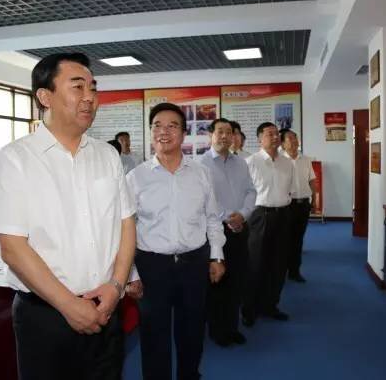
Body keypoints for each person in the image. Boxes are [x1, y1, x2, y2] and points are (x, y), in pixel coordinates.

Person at [0, 52, 136, 380]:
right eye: (78, 87)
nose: (89, 97)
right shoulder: (14, 159)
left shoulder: (107, 156)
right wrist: (68, 304)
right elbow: (13, 248)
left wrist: (116, 286)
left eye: (93, 88)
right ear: (45, 96)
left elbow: (126, 224)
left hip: (106, 306)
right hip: (46, 316)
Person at [126, 102, 226, 380]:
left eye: (172, 126)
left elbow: (213, 218)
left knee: (192, 330)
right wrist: (130, 273)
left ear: (183, 134)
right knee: (153, 335)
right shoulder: (136, 177)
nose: (164, 131)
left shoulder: (201, 174)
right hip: (151, 266)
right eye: (157, 125)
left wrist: (217, 256)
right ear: (150, 132)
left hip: (193, 263)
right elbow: (125, 229)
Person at [199, 118, 256, 347]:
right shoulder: (200, 164)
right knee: (217, 282)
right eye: (220, 131)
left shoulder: (241, 163)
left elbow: (251, 191)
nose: (225, 136)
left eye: (229, 132)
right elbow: (203, 199)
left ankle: (232, 327)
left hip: (240, 227)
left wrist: (243, 214)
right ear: (210, 135)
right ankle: (217, 330)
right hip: (215, 231)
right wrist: (227, 217)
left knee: (237, 279)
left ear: (234, 136)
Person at [242, 122, 294, 326]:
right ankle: (249, 309)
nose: (275, 137)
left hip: (283, 215)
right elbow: (244, 192)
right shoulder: (251, 162)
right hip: (260, 216)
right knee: (255, 264)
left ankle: (270, 306)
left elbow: (289, 189)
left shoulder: (287, 162)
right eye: (270, 134)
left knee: (278, 264)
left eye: (276, 134)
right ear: (259, 139)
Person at [280, 129, 318, 283]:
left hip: (303, 205)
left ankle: (294, 271)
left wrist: (314, 200)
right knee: (284, 240)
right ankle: (280, 271)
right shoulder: (279, 161)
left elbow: (312, 180)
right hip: (286, 205)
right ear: (282, 144)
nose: (294, 141)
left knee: (298, 239)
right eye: (290, 138)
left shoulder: (306, 159)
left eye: (295, 137)